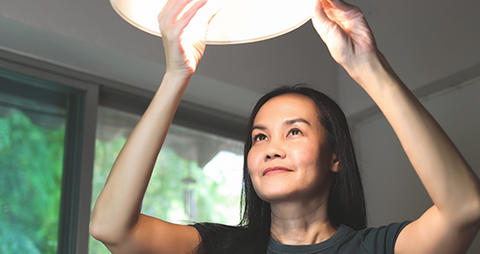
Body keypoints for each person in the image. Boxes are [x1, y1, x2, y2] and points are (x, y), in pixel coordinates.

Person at [89, 0, 480, 253]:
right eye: (260, 137)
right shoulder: (219, 247)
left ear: (335, 157)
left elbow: (465, 208)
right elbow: (110, 227)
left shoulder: (377, 248)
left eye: (294, 131)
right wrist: (176, 75)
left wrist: (368, 68)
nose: (271, 148)